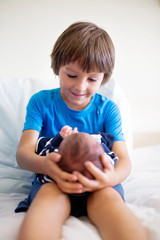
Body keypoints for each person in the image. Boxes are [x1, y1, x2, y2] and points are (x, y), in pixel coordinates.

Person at [16, 21, 148, 240]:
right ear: (57, 67)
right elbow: (23, 155)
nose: (80, 86)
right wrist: (45, 165)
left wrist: (107, 180)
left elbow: (124, 161)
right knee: (47, 200)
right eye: (72, 75)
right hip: (53, 182)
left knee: (111, 201)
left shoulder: (108, 110)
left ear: (103, 78)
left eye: (92, 79)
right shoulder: (40, 102)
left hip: (100, 186)